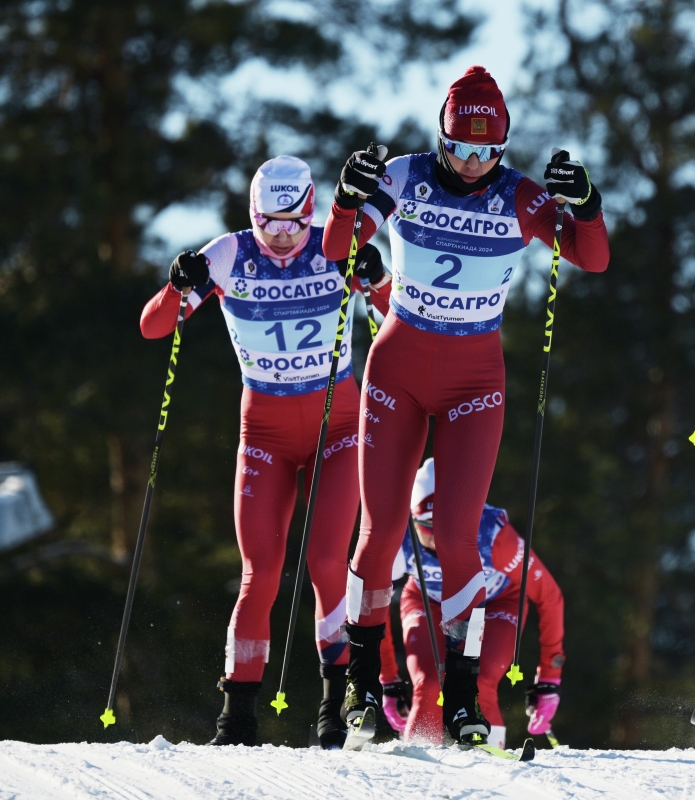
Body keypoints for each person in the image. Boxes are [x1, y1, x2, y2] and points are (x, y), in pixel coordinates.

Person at [321, 65, 607, 745]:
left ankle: (462, 696)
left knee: (458, 537)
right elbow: (338, 250)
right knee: (381, 531)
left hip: (475, 380)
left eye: (487, 154)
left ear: (503, 151)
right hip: (397, 366)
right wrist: (343, 199)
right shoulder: (405, 176)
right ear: (440, 139)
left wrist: (587, 205)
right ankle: (365, 686)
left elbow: (589, 258)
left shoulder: (519, 195)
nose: (473, 165)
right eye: (460, 150)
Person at [139, 156, 391, 747]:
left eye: (293, 224)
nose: (280, 238)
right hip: (267, 437)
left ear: (311, 213)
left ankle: (336, 707)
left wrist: (377, 280)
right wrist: (179, 284)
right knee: (260, 575)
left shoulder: (336, 245)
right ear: (252, 216)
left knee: (329, 562)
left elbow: (396, 316)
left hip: (339, 427)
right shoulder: (230, 254)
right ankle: (238, 718)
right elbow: (155, 327)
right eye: (268, 224)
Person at [376, 458, 565, 748]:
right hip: (429, 601)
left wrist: (549, 678)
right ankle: (415, 772)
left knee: (480, 681)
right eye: (428, 529)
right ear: (412, 519)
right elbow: (373, 603)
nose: (439, 540)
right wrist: (387, 677)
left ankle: (488, 769)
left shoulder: (494, 537)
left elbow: (549, 595)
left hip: (494, 604)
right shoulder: (398, 535)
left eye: (448, 525)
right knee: (428, 684)